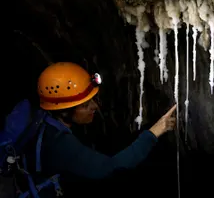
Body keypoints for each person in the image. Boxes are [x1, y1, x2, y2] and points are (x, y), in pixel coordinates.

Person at [13, 62, 177, 197]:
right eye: (85, 105)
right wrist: (154, 132)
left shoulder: (45, 120)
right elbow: (110, 168)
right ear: (64, 111)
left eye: (93, 100)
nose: (95, 107)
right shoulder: (58, 143)